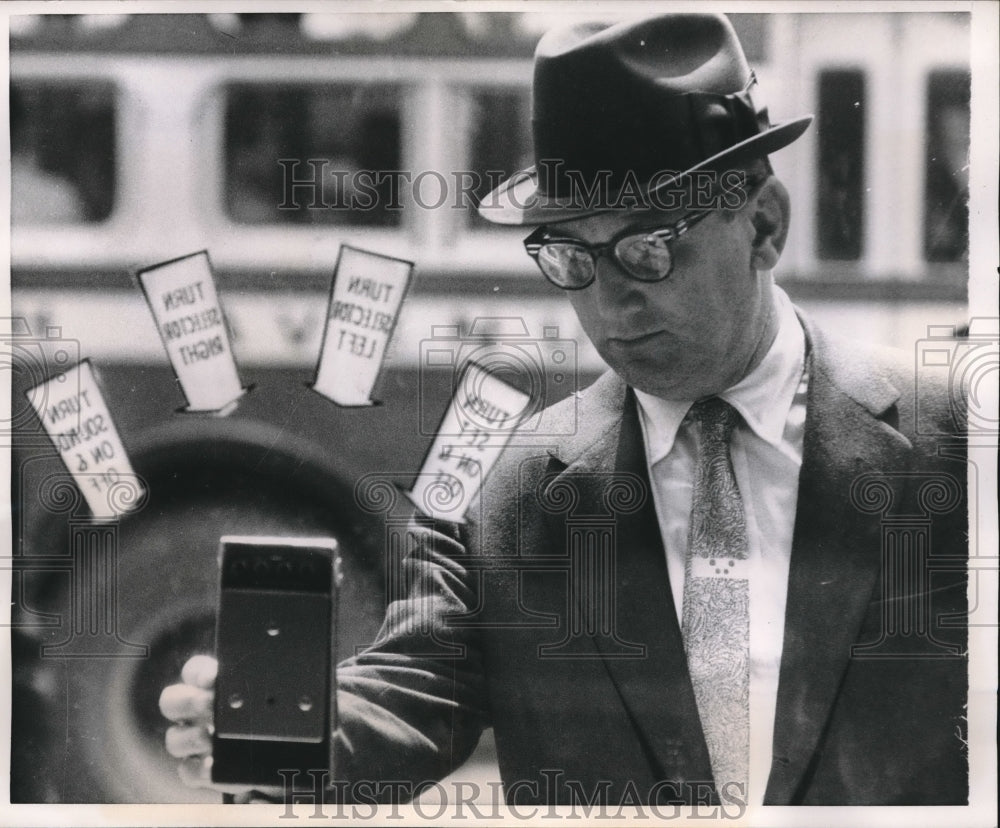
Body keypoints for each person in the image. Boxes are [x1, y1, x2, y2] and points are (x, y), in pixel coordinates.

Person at [160, 13, 968, 808]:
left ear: (762, 224)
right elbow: (407, 692)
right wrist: (274, 741)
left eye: (650, 247)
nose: (612, 305)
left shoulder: (958, 442)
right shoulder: (503, 495)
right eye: (570, 256)